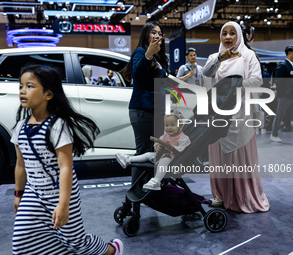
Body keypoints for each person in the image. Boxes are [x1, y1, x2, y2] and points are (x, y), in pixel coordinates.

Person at [11, 64, 123, 255]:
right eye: (21, 86)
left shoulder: (57, 126)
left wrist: (63, 204)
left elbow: (65, 168)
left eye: (30, 86)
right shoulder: (20, 127)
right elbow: (20, 164)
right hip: (34, 193)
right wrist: (18, 194)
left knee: (75, 241)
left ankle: (112, 250)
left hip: (60, 194)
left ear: (48, 94)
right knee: (22, 243)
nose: (22, 91)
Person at [202, 21, 270, 213]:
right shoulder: (214, 57)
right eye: (225, 33)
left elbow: (257, 79)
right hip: (218, 114)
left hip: (240, 115)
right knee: (219, 156)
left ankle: (243, 196)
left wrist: (233, 87)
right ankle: (221, 195)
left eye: (233, 33)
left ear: (239, 35)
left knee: (239, 157)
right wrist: (219, 58)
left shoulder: (248, 56)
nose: (228, 37)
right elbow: (206, 72)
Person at [120, 21, 169, 183]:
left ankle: (148, 190)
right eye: (153, 32)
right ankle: (135, 195)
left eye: (159, 33)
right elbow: (138, 74)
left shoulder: (158, 57)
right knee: (142, 151)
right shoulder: (140, 52)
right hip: (143, 110)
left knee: (155, 152)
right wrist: (148, 54)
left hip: (156, 111)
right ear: (146, 34)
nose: (157, 35)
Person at [116, 112, 190, 190]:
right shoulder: (165, 136)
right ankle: (128, 159)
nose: (169, 128)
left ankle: (156, 181)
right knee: (147, 155)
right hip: (160, 154)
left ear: (180, 125)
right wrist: (158, 146)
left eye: (172, 125)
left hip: (172, 157)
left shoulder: (183, 138)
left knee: (164, 161)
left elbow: (182, 149)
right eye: (166, 125)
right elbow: (157, 144)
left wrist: (171, 148)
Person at [270, 45, 293, 143]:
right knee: (280, 115)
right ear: (289, 53)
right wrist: (281, 95)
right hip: (285, 96)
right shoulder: (283, 65)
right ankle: (274, 135)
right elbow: (279, 81)